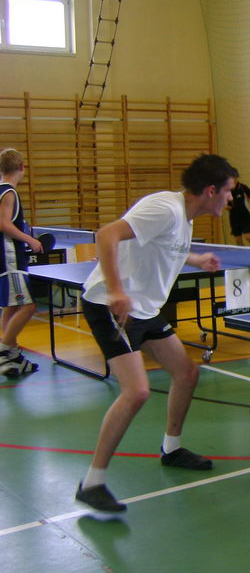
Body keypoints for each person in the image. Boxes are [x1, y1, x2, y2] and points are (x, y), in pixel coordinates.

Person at [74, 154, 237, 512]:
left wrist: (196, 259)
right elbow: (106, 234)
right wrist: (117, 291)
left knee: (186, 373)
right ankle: (92, 483)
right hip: (110, 307)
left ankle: (171, 448)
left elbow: (165, 246)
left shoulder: (184, 217)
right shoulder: (165, 208)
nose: (230, 199)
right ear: (211, 190)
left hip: (145, 311)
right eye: (228, 192)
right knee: (136, 392)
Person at [0, 148, 42, 377]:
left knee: (12, 306)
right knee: (28, 307)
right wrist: (30, 240)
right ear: (22, 167)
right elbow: (4, 224)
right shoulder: (9, 193)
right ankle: (4, 350)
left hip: (6, 260)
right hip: (11, 260)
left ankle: (13, 355)